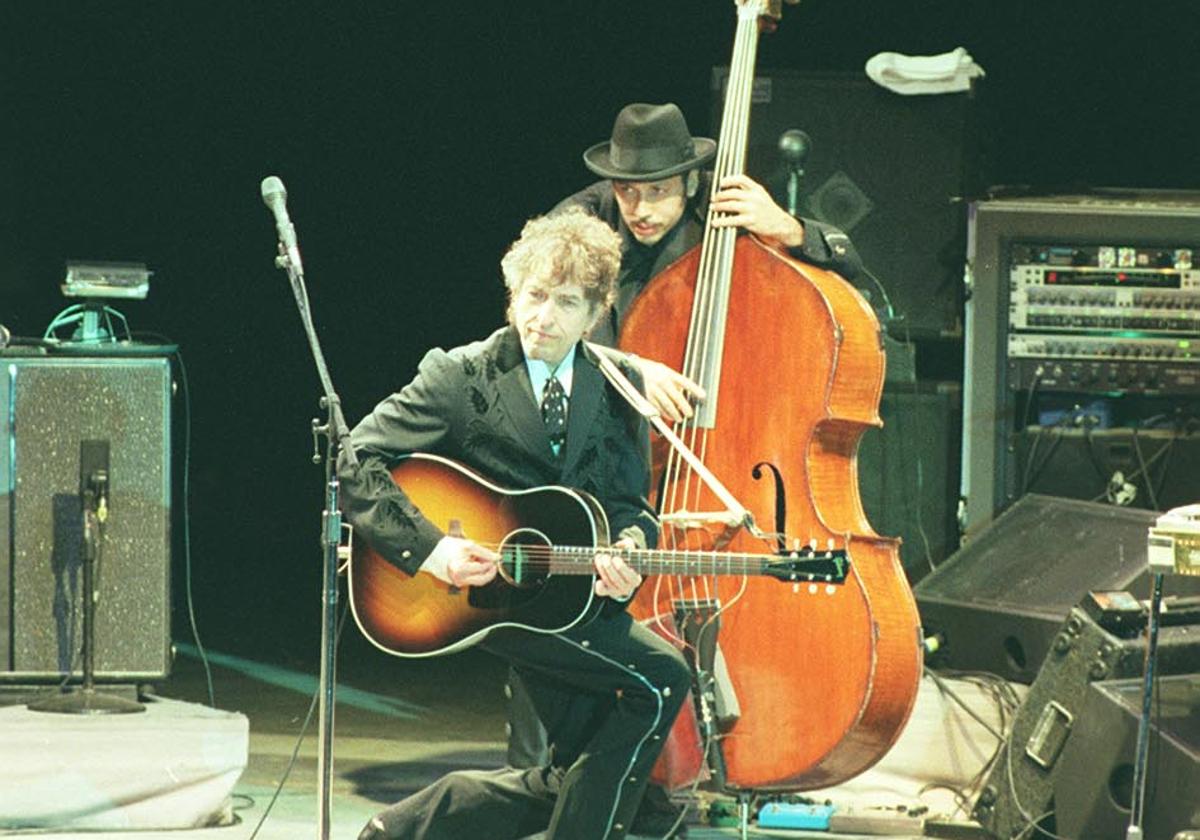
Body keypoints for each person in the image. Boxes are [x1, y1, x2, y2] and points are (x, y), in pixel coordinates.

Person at [505, 102, 865, 836]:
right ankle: (543, 786)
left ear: (691, 182)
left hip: (702, 473)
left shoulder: (726, 231)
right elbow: (531, 327)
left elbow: (857, 277)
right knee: (549, 604)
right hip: (596, 461)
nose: (639, 208)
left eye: (659, 193)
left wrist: (792, 230)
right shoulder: (581, 221)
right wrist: (627, 364)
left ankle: (644, 789)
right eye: (628, 191)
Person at [339, 209, 692, 840]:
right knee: (661, 678)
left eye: (565, 303)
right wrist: (433, 549)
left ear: (596, 313)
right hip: (490, 599)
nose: (543, 318)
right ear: (512, 293)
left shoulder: (618, 386)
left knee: (567, 775)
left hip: (572, 599)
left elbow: (632, 506)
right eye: (533, 297)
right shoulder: (461, 375)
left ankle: (402, 828)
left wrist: (629, 551)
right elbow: (356, 455)